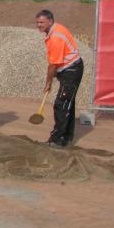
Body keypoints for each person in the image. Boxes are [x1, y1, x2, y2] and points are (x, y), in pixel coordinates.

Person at [36, 9, 84, 147]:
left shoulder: (55, 37)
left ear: (50, 21)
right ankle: (67, 138)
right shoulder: (56, 29)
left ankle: (56, 140)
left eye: (42, 22)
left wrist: (48, 83)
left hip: (71, 70)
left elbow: (52, 65)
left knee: (61, 104)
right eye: (38, 22)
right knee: (68, 103)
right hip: (70, 68)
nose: (39, 25)